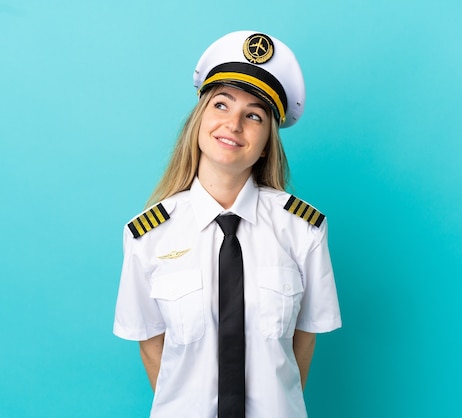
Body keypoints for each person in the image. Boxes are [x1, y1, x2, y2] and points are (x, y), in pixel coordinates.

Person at [113, 30, 341, 418]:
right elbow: (151, 343)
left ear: (268, 139)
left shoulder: (303, 230)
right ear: (199, 120)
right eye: (221, 105)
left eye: (254, 115)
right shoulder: (147, 235)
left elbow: (305, 337)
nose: (233, 124)